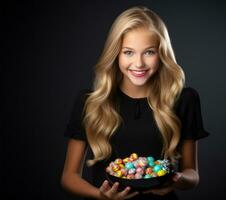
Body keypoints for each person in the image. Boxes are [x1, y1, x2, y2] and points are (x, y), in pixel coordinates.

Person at [61, 5, 210, 200]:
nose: (139, 63)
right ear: (115, 54)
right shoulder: (90, 102)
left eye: (149, 52)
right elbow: (68, 177)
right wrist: (100, 195)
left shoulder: (184, 99)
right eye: (128, 52)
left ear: (162, 53)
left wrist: (177, 179)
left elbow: (192, 174)